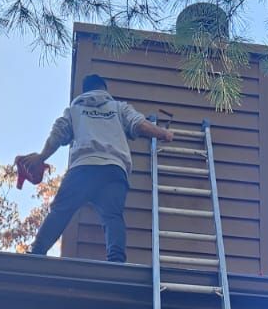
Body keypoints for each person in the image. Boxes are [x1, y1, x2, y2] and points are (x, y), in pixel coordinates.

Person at [16, 74, 175, 262]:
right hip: (113, 170)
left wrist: (42, 157)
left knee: (61, 211)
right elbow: (138, 124)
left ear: (85, 91)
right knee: (112, 216)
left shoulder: (75, 110)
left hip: (82, 169)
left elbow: (58, 133)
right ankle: (116, 260)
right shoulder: (118, 107)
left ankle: (37, 253)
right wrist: (164, 134)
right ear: (104, 90)